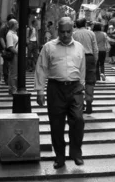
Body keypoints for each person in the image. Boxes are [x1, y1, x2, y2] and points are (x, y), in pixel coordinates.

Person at [35, 17, 86, 169]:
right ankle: (60, 157)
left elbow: (82, 68)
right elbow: (41, 68)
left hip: (75, 87)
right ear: (58, 31)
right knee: (56, 125)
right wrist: (40, 90)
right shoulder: (49, 47)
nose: (65, 35)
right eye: (62, 32)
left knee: (78, 120)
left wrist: (81, 86)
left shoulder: (79, 47)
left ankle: (76, 152)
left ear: (73, 30)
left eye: (68, 31)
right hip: (55, 88)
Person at [73, 18, 98, 114]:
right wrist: (95, 60)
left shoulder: (74, 34)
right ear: (85, 24)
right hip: (89, 57)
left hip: (77, 58)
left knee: (77, 80)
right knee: (90, 81)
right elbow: (95, 48)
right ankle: (88, 102)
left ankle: (80, 104)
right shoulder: (91, 33)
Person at [0, 14, 15, 84]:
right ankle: (6, 78)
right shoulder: (4, 28)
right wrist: (5, 47)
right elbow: (1, 38)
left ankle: (10, 78)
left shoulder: (11, 29)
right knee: (6, 63)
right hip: (5, 48)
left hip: (10, 48)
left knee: (9, 63)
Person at [5, 19, 19, 95]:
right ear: (13, 25)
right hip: (14, 55)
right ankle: (13, 89)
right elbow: (10, 46)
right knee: (13, 73)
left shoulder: (14, 33)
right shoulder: (9, 34)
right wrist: (18, 54)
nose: (18, 25)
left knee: (14, 72)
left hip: (16, 55)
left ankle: (12, 88)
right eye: (16, 24)